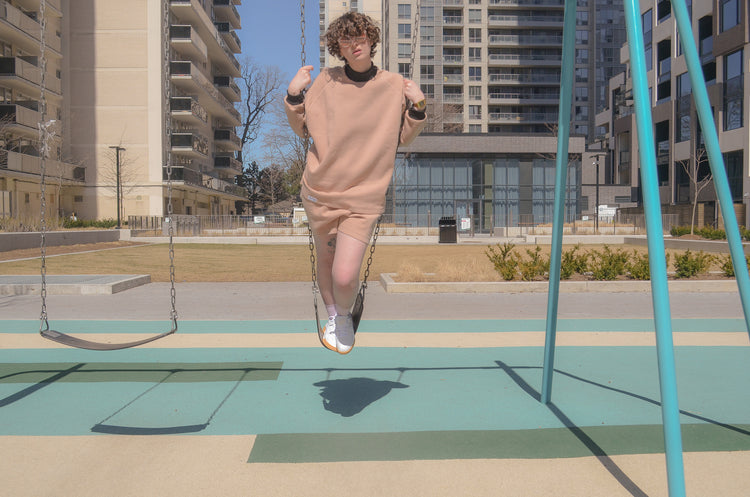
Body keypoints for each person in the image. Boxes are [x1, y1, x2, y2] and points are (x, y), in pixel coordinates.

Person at [285, 12, 426, 354]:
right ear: (339, 48)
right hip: (321, 189)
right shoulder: (326, 82)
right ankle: (336, 316)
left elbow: (403, 137)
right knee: (328, 262)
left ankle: (344, 312)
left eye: (361, 36)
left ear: (371, 39)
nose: (355, 44)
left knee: (346, 275)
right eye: (347, 40)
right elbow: (304, 128)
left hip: (364, 194)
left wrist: (418, 106)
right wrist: (293, 96)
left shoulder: (392, 85)